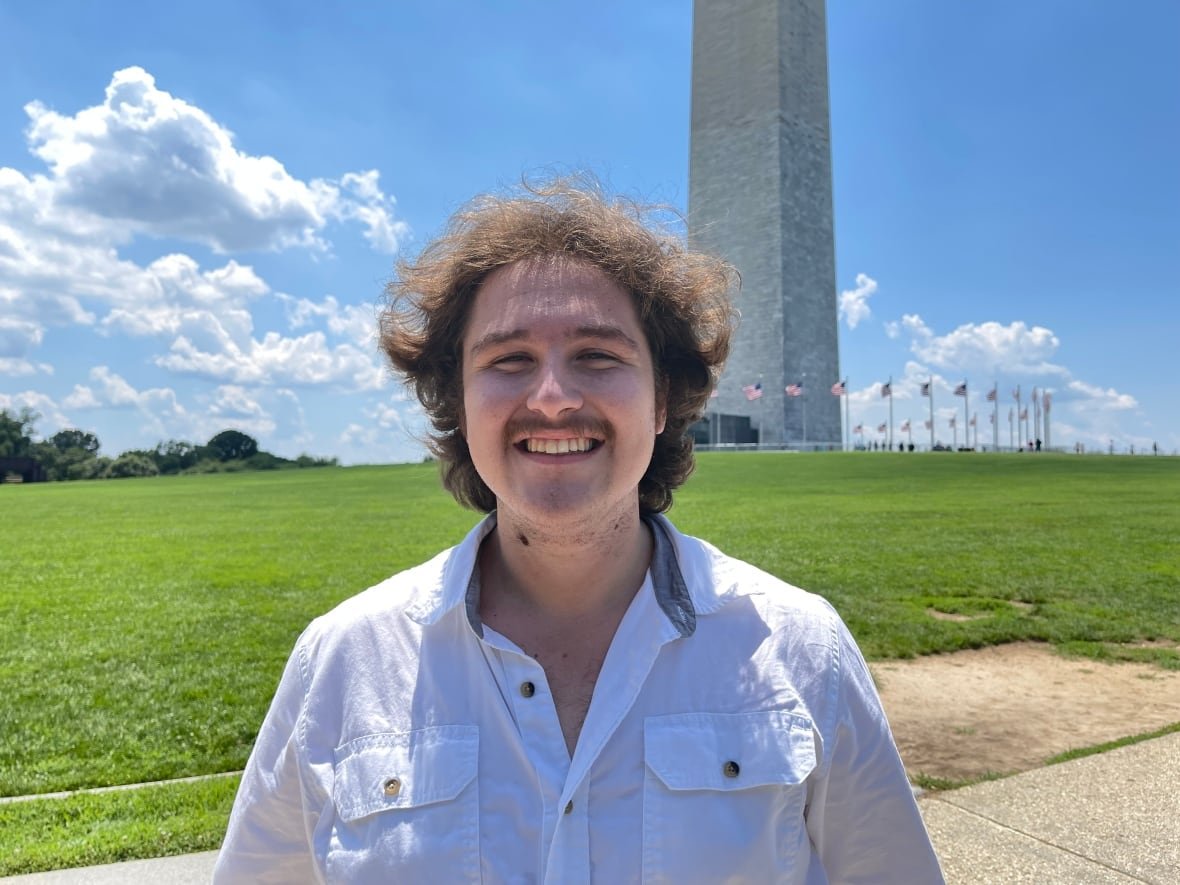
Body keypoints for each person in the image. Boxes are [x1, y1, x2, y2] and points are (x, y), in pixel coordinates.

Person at [214, 179, 944, 883]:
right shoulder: (341, 663)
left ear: (663, 400)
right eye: (509, 360)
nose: (554, 398)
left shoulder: (802, 649)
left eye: (598, 355)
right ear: (459, 404)